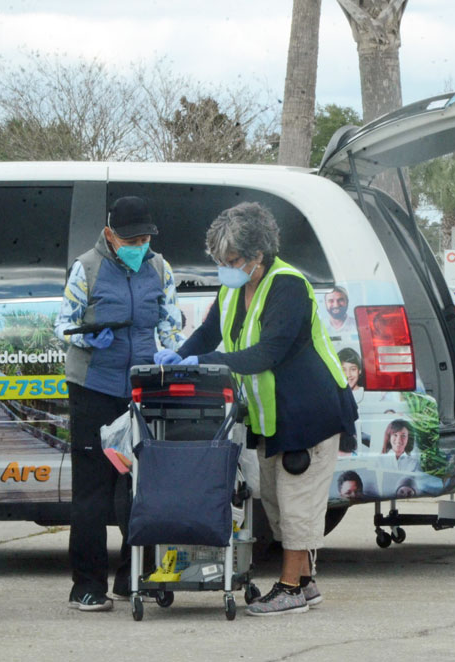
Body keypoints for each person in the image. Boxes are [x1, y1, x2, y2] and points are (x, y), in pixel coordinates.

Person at [156, 201, 357, 615]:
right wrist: (179, 355)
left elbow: (268, 352)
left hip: (309, 413)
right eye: (220, 261)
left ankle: (289, 590)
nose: (224, 268)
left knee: (297, 500)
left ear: (257, 256)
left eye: (231, 260)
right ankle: (305, 581)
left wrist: (207, 363)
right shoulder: (235, 287)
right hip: (272, 415)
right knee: (276, 502)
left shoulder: (289, 286)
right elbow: (211, 332)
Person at [55, 196, 184, 611]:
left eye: (145, 238)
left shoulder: (160, 268)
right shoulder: (86, 268)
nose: (139, 244)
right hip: (94, 388)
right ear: (110, 235)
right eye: (131, 238)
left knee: (139, 487)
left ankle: (134, 577)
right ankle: (88, 584)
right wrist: (85, 336)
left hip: (142, 388)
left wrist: (173, 355)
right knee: (93, 491)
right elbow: (64, 323)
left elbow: (169, 322)